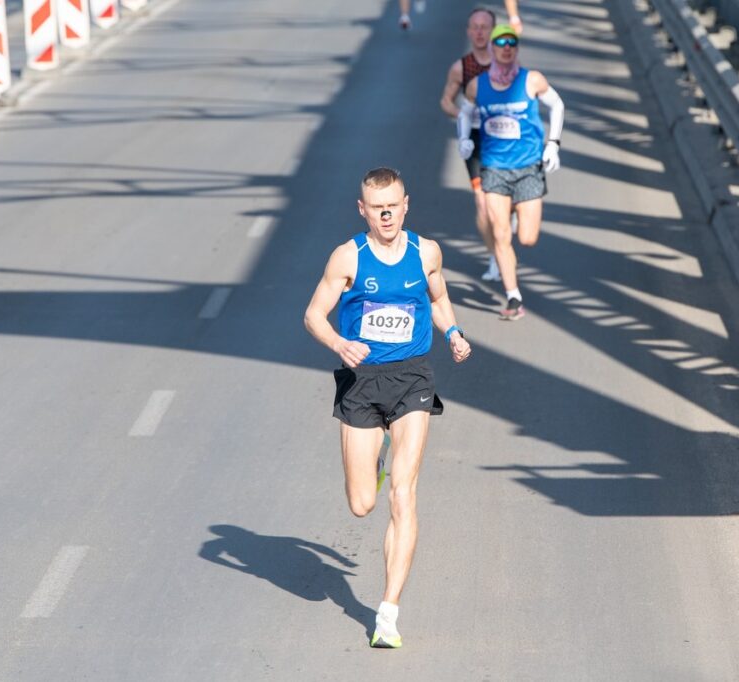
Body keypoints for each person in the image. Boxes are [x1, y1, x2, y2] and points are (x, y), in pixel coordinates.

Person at [304, 167, 472, 648]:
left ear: (405, 205)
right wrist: (339, 342)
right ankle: (373, 462)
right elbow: (314, 314)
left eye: (393, 205)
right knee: (362, 504)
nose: (386, 214)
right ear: (364, 210)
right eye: (377, 207)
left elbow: (438, 298)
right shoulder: (348, 258)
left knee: (404, 493)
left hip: (412, 378)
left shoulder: (426, 252)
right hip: (361, 381)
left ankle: (389, 612)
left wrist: (454, 333)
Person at [457, 23, 565, 320]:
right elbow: (465, 112)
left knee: (528, 238)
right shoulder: (478, 85)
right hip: (494, 168)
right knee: (501, 234)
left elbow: (557, 105)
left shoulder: (532, 80)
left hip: (529, 168)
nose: (506, 47)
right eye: (501, 42)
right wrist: (464, 138)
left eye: (511, 43)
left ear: (516, 48)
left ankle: (517, 210)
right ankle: (513, 296)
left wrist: (553, 143)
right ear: (492, 48)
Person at [440, 7, 499, 281]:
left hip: (503, 138)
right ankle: (495, 256)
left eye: (484, 27)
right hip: (474, 138)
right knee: (481, 201)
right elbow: (446, 102)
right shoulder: (460, 67)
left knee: (502, 200)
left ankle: (505, 221)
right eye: (474, 27)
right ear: (468, 31)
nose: (479, 32)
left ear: (492, 31)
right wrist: (464, 113)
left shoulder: (505, 63)